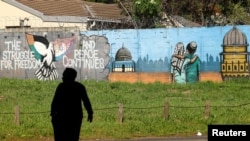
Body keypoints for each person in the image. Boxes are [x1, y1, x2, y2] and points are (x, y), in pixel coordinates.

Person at [50, 67, 93, 141]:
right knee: (73, 137)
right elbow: (86, 101)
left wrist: (53, 115)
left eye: (64, 75)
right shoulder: (80, 87)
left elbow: (54, 102)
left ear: (68, 76)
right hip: (75, 118)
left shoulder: (61, 87)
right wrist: (90, 113)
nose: (62, 77)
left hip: (61, 118)